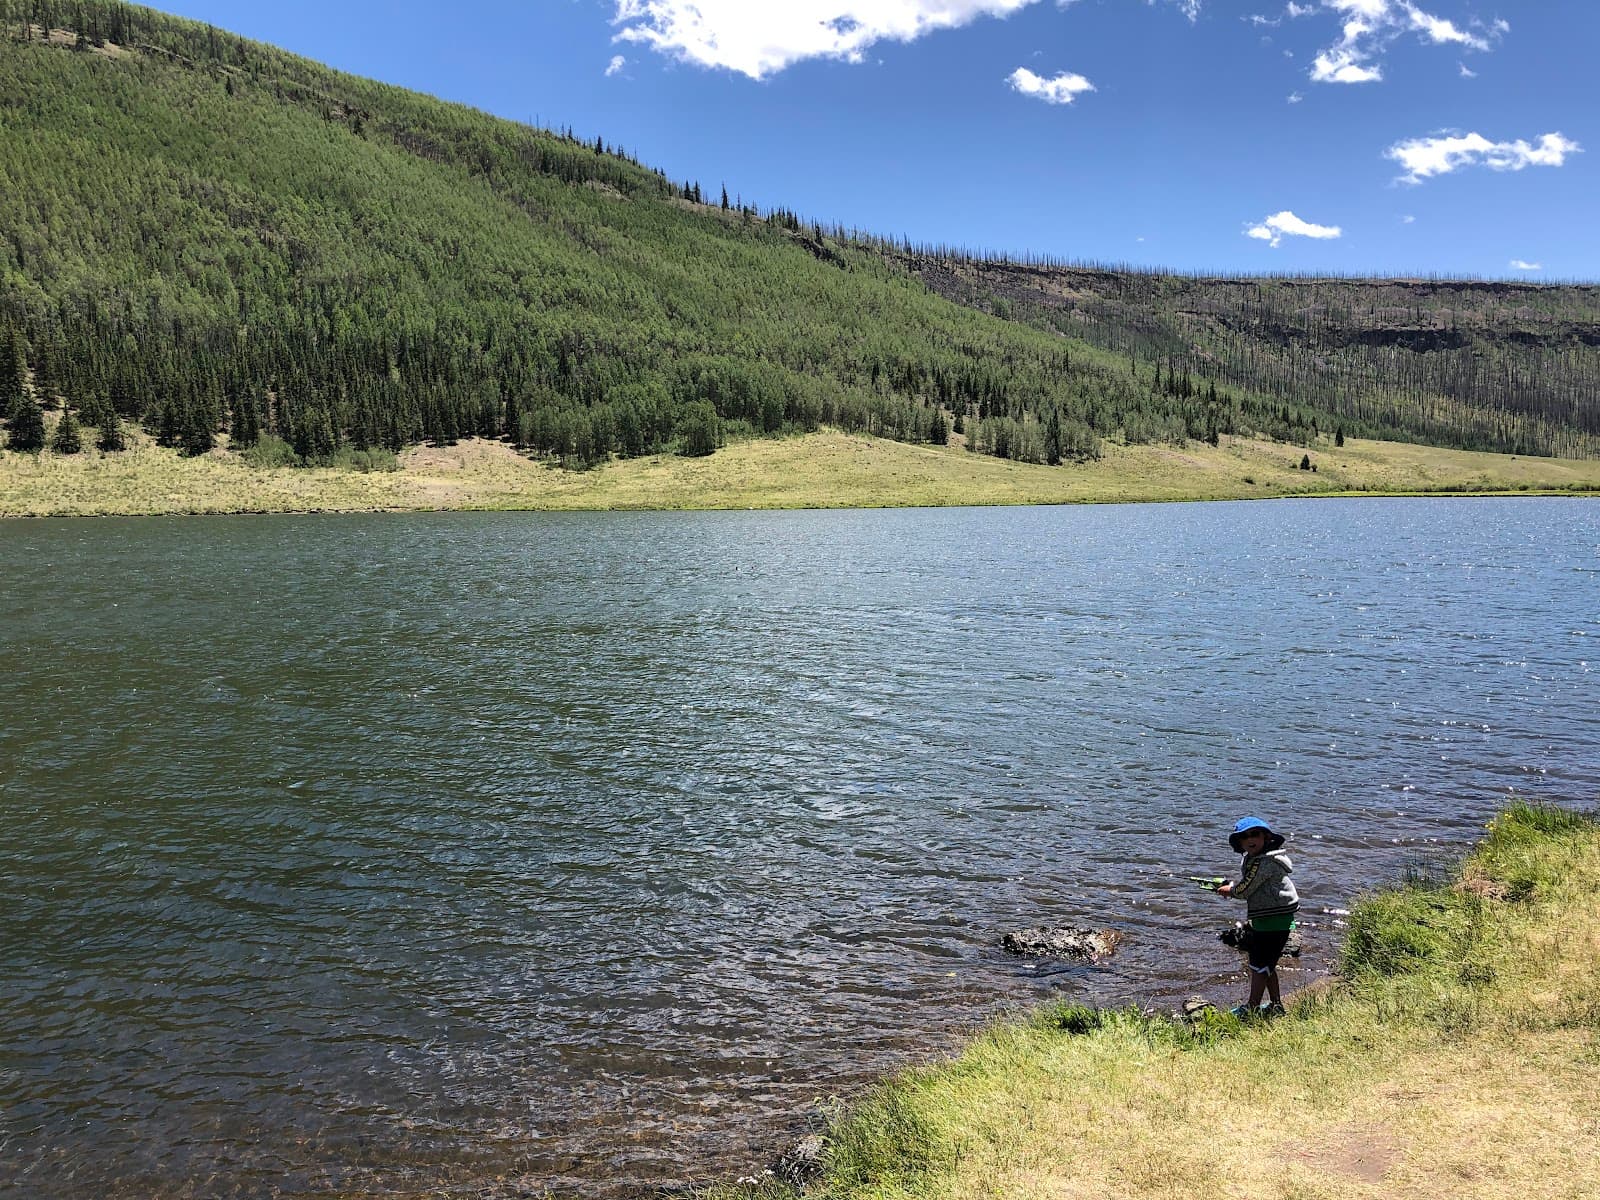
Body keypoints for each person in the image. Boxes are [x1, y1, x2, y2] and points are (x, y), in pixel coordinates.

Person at [1216, 816, 1299, 1017]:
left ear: (1266, 837)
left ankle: (1252, 1008)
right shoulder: (1256, 859)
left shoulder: (1264, 862)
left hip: (1273, 921)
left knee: (1258, 966)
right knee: (1267, 965)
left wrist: (1230, 890)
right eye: (1244, 837)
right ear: (1239, 843)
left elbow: (1246, 889)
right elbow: (1250, 883)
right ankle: (1276, 1005)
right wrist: (1232, 887)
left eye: (1254, 834)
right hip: (1271, 920)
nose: (1250, 839)